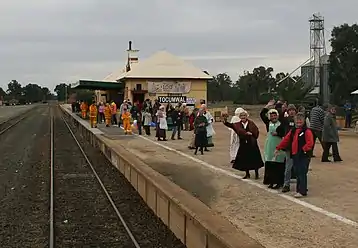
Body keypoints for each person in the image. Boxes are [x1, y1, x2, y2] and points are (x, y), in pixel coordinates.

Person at [275, 112, 314, 198]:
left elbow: (310, 143)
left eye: (300, 121)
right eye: (297, 121)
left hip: (304, 155)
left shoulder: (307, 131)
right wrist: (278, 147)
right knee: (297, 172)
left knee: (302, 172)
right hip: (295, 154)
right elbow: (286, 140)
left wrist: (303, 150)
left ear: (304, 121)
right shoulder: (293, 131)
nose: (299, 123)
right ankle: (299, 189)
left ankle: (302, 191)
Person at [223, 109, 264, 179]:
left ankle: (256, 174)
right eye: (242, 117)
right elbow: (230, 125)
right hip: (243, 143)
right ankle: (247, 174)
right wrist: (224, 120)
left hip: (252, 143)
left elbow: (256, 131)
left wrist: (252, 134)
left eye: (244, 116)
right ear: (240, 117)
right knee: (245, 159)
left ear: (246, 116)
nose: (243, 118)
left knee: (254, 159)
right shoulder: (237, 124)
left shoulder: (251, 123)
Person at [263, 109, 285, 189]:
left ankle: (279, 182)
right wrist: (267, 106)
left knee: (278, 164)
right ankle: (271, 181)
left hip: (279, 145)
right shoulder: (268, 124)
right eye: (271, 116)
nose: (273, 117)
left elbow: (284, 132)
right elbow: (262, 114)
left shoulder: (281, 123)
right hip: (270, 146)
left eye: (275, 115)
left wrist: (278, 133)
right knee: (270, 164)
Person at [277, 104, 297, 193]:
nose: (292, 111)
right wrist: (282, 110)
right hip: (289, 147)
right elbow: (280, 119)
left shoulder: (299, 120)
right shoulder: (285, 120)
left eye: (293, 110)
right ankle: (286, 184)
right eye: (290, 110)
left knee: (299, 166)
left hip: (298, 147)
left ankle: (301, 185)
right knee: (288, 167)